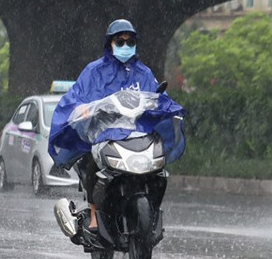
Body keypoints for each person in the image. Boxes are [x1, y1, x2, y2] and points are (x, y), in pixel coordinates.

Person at [48, 18, 183, 230]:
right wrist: (81, 108)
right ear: (110, 44)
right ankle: (94, 214)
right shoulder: (94, 71)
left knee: (157, 171)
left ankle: (152, 214)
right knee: (92, 162)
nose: (125, 47)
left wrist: (165, 105)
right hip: (104, 134)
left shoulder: (144, 73)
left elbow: (156, 96)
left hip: (138, 134)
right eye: (120, 42)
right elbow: (75, 97)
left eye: (130, 42)